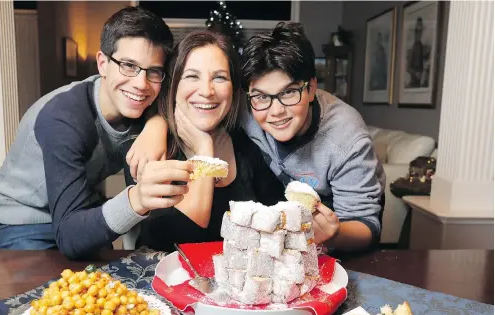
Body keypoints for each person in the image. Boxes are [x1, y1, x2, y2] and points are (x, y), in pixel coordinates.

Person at [128, 22, 386, 252]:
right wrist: (157, 125)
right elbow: (174, 241)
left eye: (289, 93)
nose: (275, 112)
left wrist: (334, 234)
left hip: (331, 238)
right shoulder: (157, 148)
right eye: (261, 96)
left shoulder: (344, 138)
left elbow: (366, 226)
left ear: (311, 88)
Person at [0, 6, 191, 259]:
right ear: (103, 64)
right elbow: (71, 239)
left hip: (79, 203)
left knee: (107, 287)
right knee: (43, 295)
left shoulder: (144, 107)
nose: (141, 84)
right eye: (128, 66)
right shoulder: (63, 117)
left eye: (153, 71)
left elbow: (171, 101)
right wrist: (136, 200)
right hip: (27, 216)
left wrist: (156, 125)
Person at [135, 30, 285, 252]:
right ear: (173, 86)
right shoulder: (153, 148)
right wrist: (204, 150)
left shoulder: (246, 143)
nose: (206, 91)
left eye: (219, 77)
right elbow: (182, 238)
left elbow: (278, 218)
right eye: (192, 76)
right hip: (158, 280)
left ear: (234, 89)